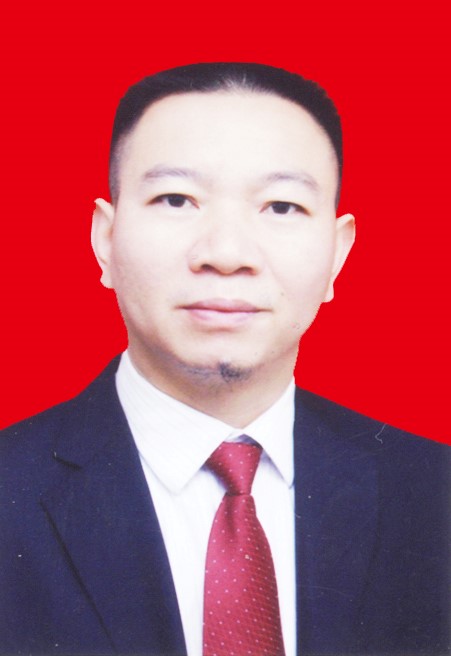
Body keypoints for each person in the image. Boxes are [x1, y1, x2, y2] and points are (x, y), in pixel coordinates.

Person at [0, 63, 449, 656]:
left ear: (338, 255)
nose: (227, 253)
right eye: (176, 199)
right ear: (104, 239)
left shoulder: (434, 492)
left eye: (281, 206)